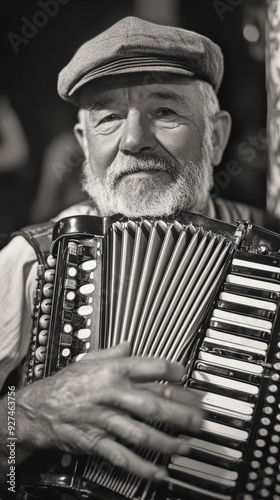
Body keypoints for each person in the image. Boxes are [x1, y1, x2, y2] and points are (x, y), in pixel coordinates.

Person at [0, 16, 279, 498]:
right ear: (85, 145)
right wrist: (20, 420)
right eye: (107, 117)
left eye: (165, 110)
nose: (134, 140)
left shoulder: (271, 252)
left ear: (216, 136)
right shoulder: (31, 260)